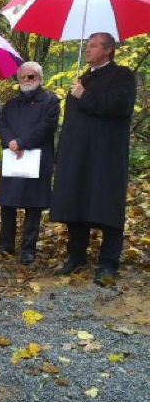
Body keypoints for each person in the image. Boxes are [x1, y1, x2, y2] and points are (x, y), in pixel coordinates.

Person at [50, 33, 137, 285]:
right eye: (87, 45)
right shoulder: (83, 78)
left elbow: (120, 106)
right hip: (78, 153)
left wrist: (84, 95)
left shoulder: (122, 75)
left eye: (93, 46)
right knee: (76, 200)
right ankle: (76, 255)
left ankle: (108, 262)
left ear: (108, 50)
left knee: (107, 204)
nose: (87, 49)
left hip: (106, 155)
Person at [0, 62, 59, 264]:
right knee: (8, 201)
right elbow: (2, 124)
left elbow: (47, 126)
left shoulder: (50, 101)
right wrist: (11, 142)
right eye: (22, 77)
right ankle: (6, 244)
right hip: (13, 156)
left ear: (39, 78)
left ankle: (28, 248)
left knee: (33, 204)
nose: (26, 80)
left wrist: (22, 142)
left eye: (30, 76)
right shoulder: (11, 103)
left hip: (37, 157)